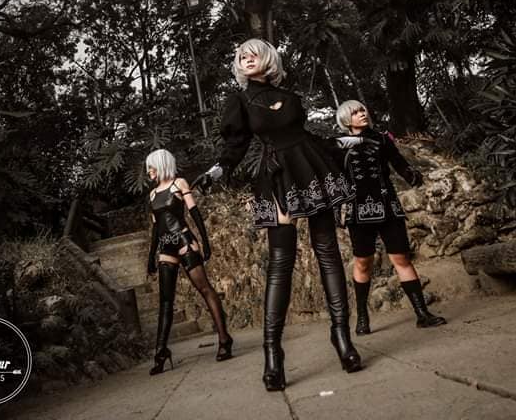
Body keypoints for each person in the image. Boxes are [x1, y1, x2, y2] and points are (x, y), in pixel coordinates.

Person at [195, 38, 363, 391]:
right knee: (280, 263)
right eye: (241, 56)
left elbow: (304, 136)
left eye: (253, 53)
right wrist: (217, 171)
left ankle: (342, 339)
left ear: (268, 58)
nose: (246, 58)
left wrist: (341, 142)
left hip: (309, 166)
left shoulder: (290, 97)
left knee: (328, 253)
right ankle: (273, 354)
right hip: (277, 176)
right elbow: (235, 145)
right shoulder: (240, 100)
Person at [334, 100, 446, 335]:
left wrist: (412, 176)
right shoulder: (338, 145)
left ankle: (422, 314)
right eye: (355, 112)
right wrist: (336, 209)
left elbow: (399, 163)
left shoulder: (382, 139)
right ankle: (362, 317)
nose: (362, 114)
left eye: (362, 110)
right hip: (358, 210)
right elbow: (336, 179)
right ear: (345, 119)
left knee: (401, 258)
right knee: (363, 262)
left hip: (388, 206)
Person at [145, 148, 233, 375]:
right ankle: (161, 352)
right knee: (165, 301)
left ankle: (224, 339)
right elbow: (155, 228)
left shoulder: (179, 184)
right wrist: (151, 256)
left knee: (204, 289)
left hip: (184, 241)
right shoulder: (152, 195)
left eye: (151, 167)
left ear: (161, 164)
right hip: (165, 247)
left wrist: (205, 242)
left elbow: (194, 214)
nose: (149, 171)